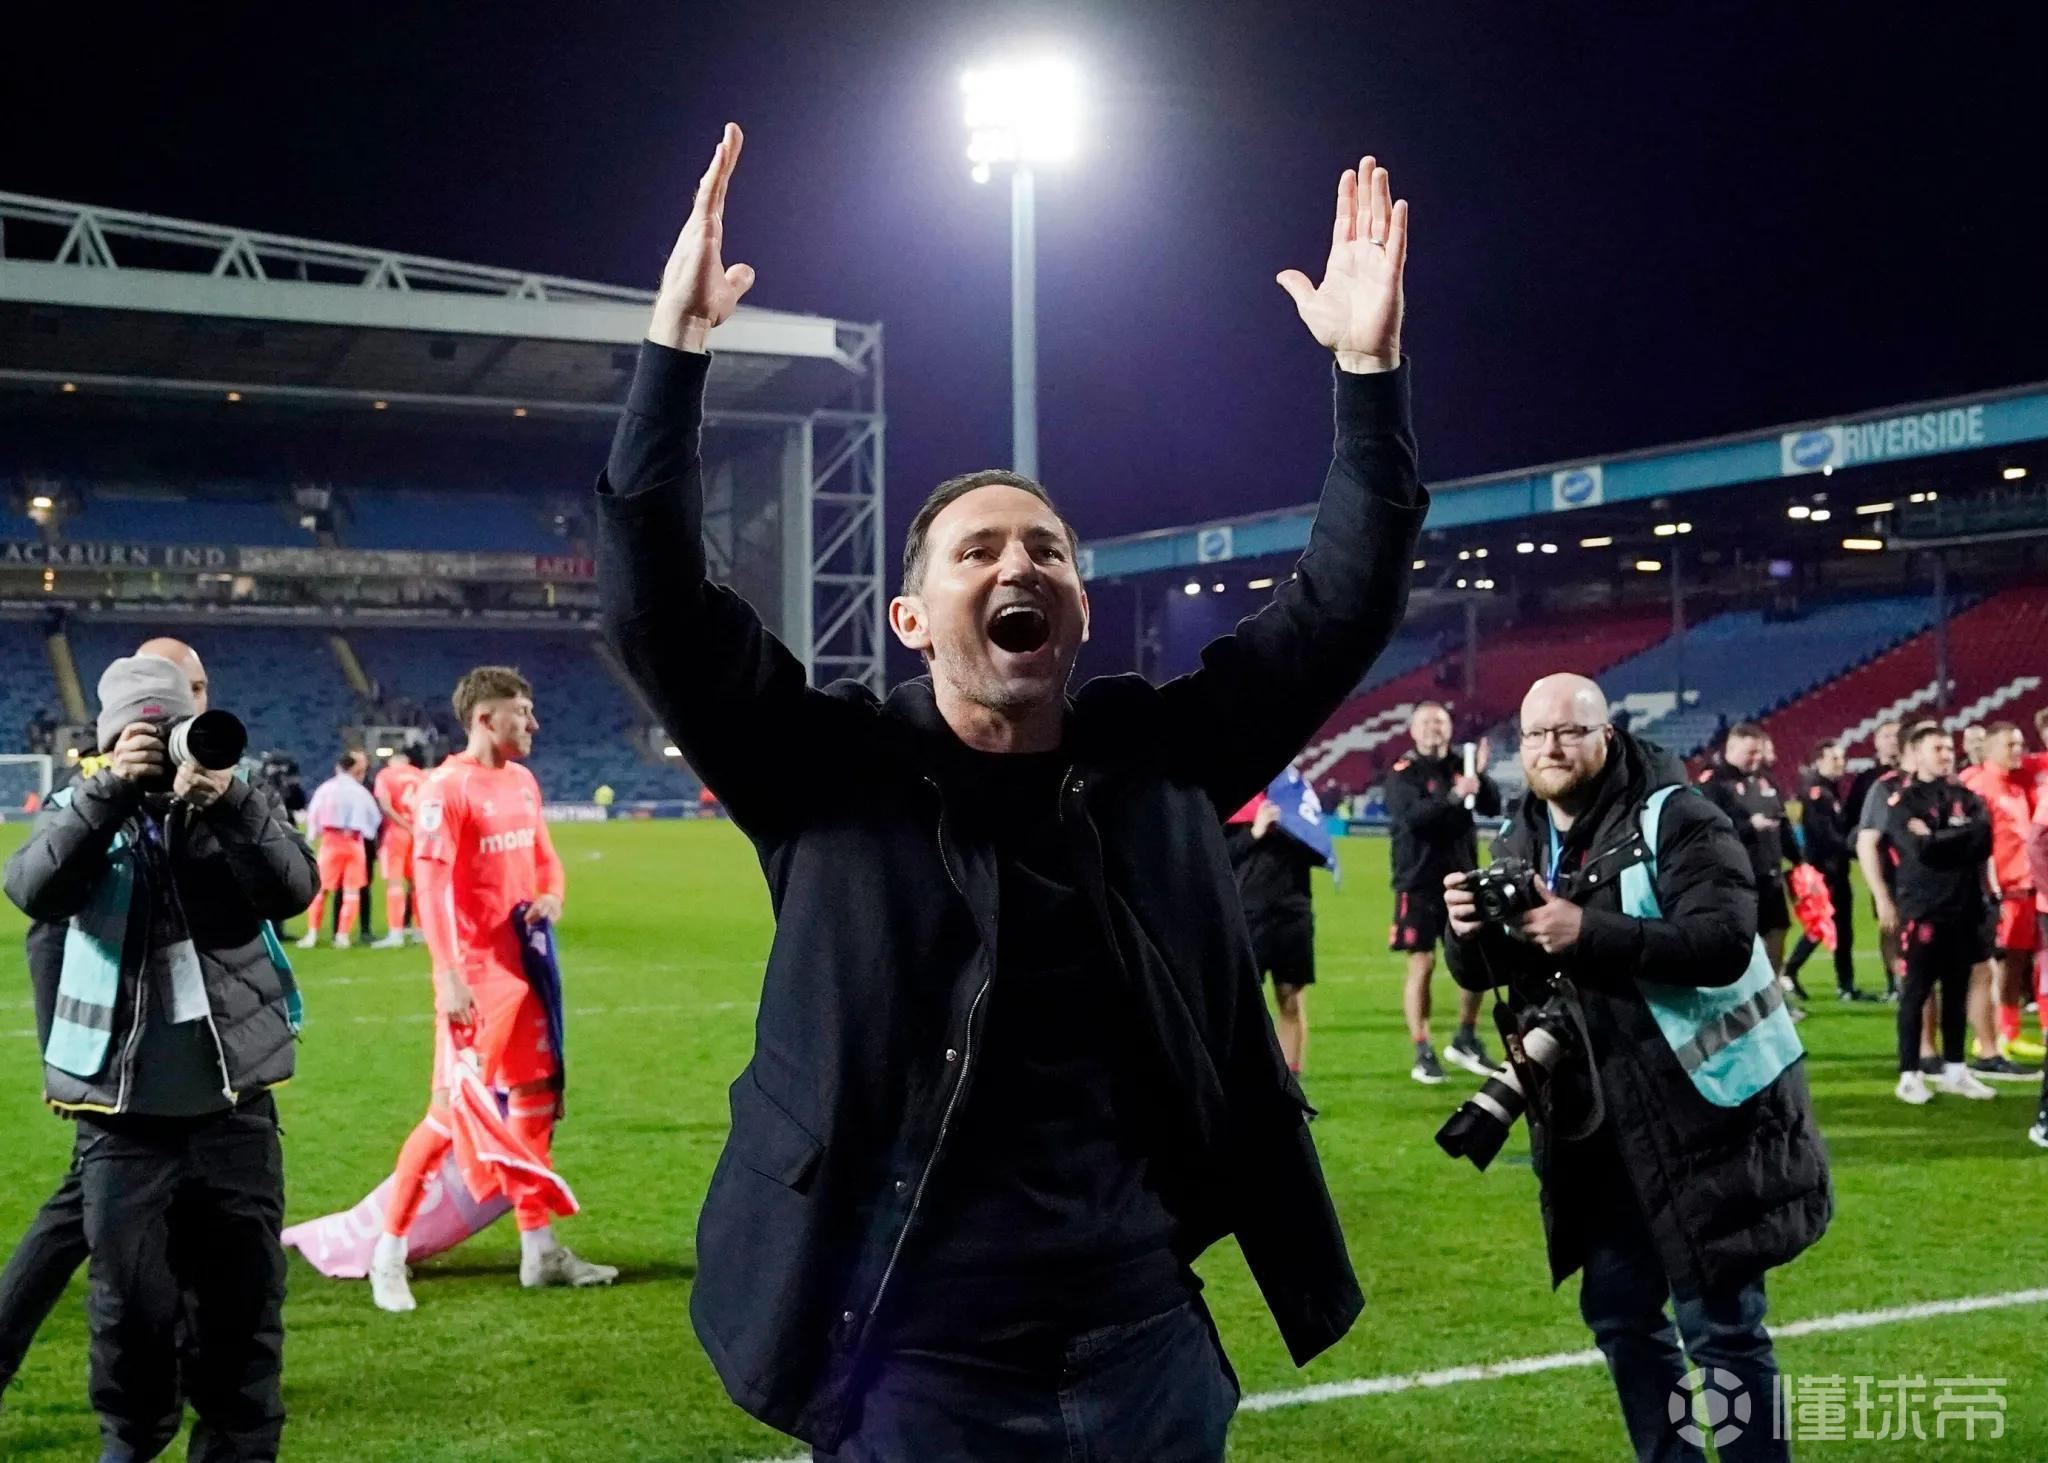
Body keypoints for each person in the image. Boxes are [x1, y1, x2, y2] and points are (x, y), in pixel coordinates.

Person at [597, 126, 1419, 1457]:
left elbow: (1341, 605)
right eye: (976, 550)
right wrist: (672, 355)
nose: (1018, 563)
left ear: (1078, 604)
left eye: (1046, 547)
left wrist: (1367, 379)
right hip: (911, 1363)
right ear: (911, 619)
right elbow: (656, 611)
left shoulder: (1158, 760)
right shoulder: (825, 770)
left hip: (1143, 1343)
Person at [1444, 673, 1829, 1463]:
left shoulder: (1678, 815)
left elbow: (1725, 940)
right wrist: (1466, 934)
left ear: (1606, 736)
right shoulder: (1518, 833)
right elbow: (1501, 972)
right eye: (1537, 734)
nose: (1551, 747)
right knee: (1621, 1315)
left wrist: (1586, 929)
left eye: (1569, 731)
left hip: (1703, 1113)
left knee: (1721, 1330)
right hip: (1596, 1124)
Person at [3, 652, 316, 1461]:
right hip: (124, 1120)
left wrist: (231, 800)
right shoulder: (81, 805)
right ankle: (130, 1446)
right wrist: (109, 790)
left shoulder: (237, 796)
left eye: (172, 726)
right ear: (110, 739)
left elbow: (292, 890)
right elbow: (33, 889)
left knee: (245, 1322)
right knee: (130, 1320)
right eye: (142, 732)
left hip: (234, 1113)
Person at [0, 636, 221, 1407]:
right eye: (186, 687)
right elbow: (45, 931)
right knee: (80, 1220)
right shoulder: (94, 793)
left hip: (190, 1062)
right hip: (121, 1070)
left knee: (102, 1217)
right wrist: (63, 1058)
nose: (197, 701)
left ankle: (191, 1363)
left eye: (202, 685)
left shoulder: (209, 779)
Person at [367, 665, 612, 1312]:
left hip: (527, 970)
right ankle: (387, 1252)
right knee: (448, 1116)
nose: (532, 723)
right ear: (485, 718)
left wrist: (552, 895)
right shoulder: (446, 790)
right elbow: (429, 889)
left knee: (536, 1100)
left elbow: (545, 858)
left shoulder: (523, 782)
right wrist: (447, 976)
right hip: (475, 980)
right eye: (521, 712)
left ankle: (539, 1250)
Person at [1385, 702, 1499, 1080]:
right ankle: (1422, 1049)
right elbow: (1413, 818)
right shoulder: (1404, 771)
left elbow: (1492, 806)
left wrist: (1480, 776)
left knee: (1478, 960)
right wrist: (1454, 795)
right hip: (1418, 881)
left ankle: (1466, 1037)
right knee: (1422, 963)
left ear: (1450, 729)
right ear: (1413, 730)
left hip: (1464, 877)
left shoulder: (1460, 765)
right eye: (1426, 722)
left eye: (1440, 721)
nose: (1434, 727)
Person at [1885, 722, 1999, 1104]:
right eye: (1937, 749)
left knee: (1956, 992)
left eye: (1949, 749)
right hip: (1924, 911)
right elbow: (1918, 851)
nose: (1946, 755)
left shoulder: (1966, 796)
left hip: (1964, 909)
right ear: (1916, 754)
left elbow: (1984, 839)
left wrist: (1936, 836)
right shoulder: (1903, 802)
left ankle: (1955, 1069)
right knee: (1916, 992)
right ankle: (1909, 1074)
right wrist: (1956, 837)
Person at [1956, 722, 2038, 1079]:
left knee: (2015, 963)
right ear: (1990, 749)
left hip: (2025, 888)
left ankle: (2009, 1032)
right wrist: (1990, 890)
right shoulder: (1979, 787)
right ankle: (1987, 1040)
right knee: (1992, 965)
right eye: (2010, 745)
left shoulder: (2015, 785)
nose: (2018, 750)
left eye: (2020, 744)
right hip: (1998, 891)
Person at [1225, 784, 1324, 1078]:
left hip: (1293, 913)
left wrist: (1290, 827)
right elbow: (1219, 856)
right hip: (1247, 914)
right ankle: (1240, 1080)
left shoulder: (1297, 799)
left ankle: (1291, 1081)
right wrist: (1255, 832)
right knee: (1240, 1005)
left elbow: (1320, 853)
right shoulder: (1233, 800)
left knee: (1290, 999)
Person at [1698, 724, 1793, 986]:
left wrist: (1799, 861)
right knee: (1742, 936)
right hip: (1735, 874)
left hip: (1769, 871)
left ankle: (1773, 990)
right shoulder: (1712, 783)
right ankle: (1742, 991)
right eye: (1751, 753)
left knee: (1778, 929)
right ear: (1732, 747)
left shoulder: (1765, 780)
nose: (1756, 758)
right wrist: (1750, 825)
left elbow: (1783, 821)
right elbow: (1709, 829)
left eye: (1759, 752)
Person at [1782, 740, 1871, 1000]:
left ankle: (1846, 985)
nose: (1840, 763)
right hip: (1825, 873)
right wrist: (1854, 847)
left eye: (1841, 758)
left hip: (1835, 870)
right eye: (1834, 758)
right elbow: (1824, 835)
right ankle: (1790, 971)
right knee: (1822, 925)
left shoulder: (1828, 790)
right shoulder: (1817, 793)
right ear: (1819, 761)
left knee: (1841, 929)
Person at [298, 750, 380, 949]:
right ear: (354, 769)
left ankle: (312, 934)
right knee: (352, 891)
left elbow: (313, 814)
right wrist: (367, 834)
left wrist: (312, 836)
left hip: (331, 841)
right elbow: (374, 818)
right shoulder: (360, 792)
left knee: (320, 891)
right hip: (354, 843)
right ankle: (342, 936)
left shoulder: (326, 789)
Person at [1854, 719, 1908, 1002]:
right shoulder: (1873, 782)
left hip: (1924, 875)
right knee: (1892, 927)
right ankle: (1896, 982)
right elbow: (1858, 827)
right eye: (1886, 735)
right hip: (1889, 870)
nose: (1892, 740)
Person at [370, 745, 426, 949]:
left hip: (396, 833)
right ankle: (420, 931)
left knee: (394, 883)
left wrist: (404, 825)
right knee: (417, 884)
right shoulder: (421, 776)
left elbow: (385, 806)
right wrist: (415, 827)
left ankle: (396, 933)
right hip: (419, 833)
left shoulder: (385, 775)